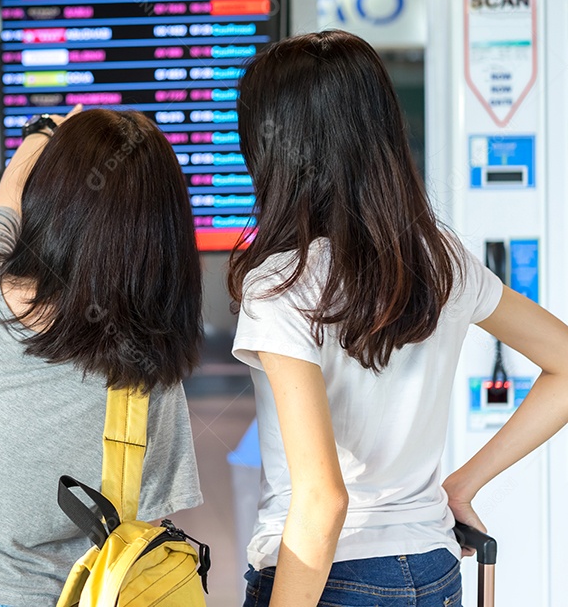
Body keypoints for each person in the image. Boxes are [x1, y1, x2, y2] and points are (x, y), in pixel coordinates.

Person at [229, 30, 568, 607]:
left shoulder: (281, 284)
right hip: (433, 570)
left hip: (328, 578)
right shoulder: (442, 259)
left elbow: (323, 500)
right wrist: (462, 486)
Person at [0, 107, 204, 607]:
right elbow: (139, 525)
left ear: (50, 200)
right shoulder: (143, 364)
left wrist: (41, 133)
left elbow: (8, 196)